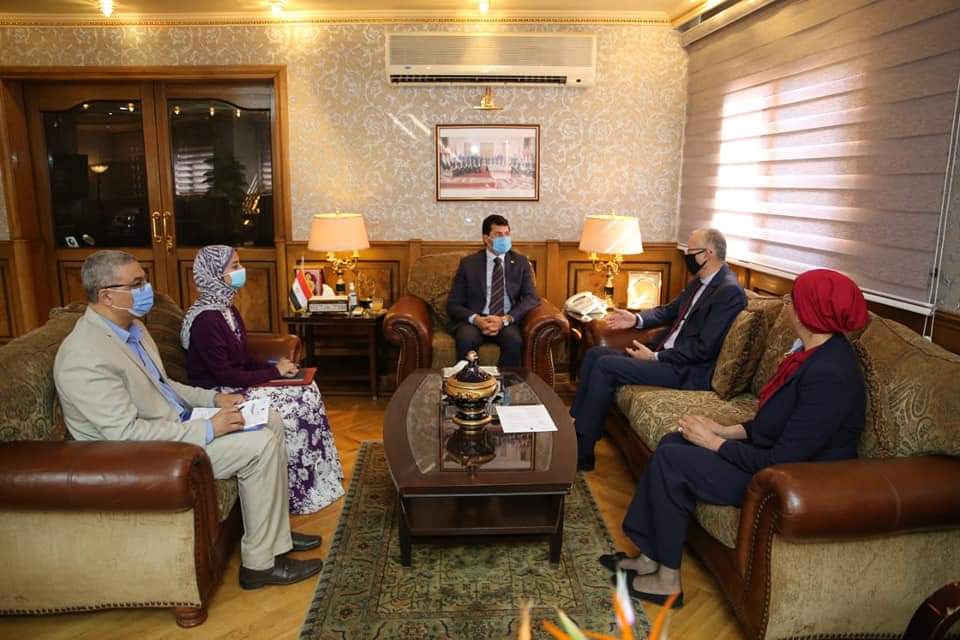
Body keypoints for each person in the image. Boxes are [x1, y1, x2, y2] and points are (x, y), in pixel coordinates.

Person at [54, 250, 323, 589]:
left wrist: (213, 399)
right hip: (141, 455)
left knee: (268, 418)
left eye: (144, 280)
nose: (148, 290)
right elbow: (124, 433)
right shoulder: (85, 356)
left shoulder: (132, 327)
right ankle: (260, 565)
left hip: (175, 422)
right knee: (259, 446)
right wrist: (208, 427)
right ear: (107, 295)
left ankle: (276, 538)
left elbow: (163, 385)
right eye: (136, 284)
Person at [602, 269, 869, 608]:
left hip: (791, 481)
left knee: (673, 461)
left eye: (794, 300)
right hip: (772, 457)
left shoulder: (830, 374)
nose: (788, 305)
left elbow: (782, 459)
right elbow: (774, 423)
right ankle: (649, 558)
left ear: (811, 312)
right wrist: (723, 430)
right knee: (674, 442)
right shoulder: (811, 354)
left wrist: (715, 444)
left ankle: (667, 581)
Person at [182, 245, 344, 515]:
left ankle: (321, 480)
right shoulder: (206, 320)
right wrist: (273, 373)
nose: (241, 270)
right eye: (234, 266)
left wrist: (277, 367)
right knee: (294, 407)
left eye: (239, 264)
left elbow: (243, 359)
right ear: (214, 274)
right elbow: (225, 375)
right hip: (221, 394)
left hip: (237, 383)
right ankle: (296, 494)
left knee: (308, 390)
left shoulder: (227, 310)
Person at [571, 228, 746, 470]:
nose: (685, 256)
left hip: (686, 369)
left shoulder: (729, 292)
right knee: (594, 355)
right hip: (665, 356)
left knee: (605, 366)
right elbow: (669, 310)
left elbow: (704, 349)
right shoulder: (701, 282)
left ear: (707, 254)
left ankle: (583, 451)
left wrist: (655, 357)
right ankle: (576, 429)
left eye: (690, 252)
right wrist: (636, 319)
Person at [446, 214, 540, 368]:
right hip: (476, 320)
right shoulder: (468, 264)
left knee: (514, 341)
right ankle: (469, 380)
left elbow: (532, 298)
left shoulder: (520, 262)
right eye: (498, 234)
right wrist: (476, 319)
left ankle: (505, 382)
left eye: (507, 234)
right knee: (465, 339)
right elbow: (453, 304)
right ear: (486, 238)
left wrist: (506, 319)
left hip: (506, 319)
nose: (504, 238)